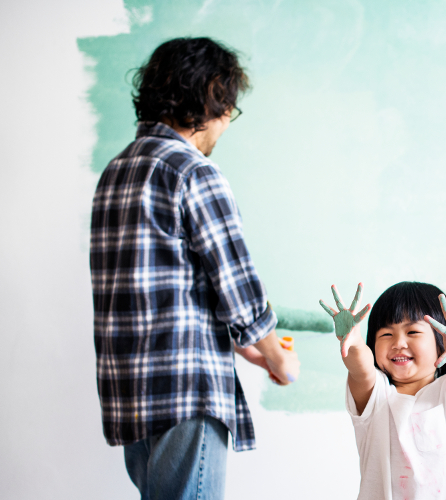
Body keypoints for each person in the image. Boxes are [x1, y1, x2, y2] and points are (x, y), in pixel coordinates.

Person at [90, 37, 300, 499]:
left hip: (130, 391)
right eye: (228, 108)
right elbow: (237, 284)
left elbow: (159, 284)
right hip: (185, 390)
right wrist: (277, 354)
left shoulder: (116, 172)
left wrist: (239, 345)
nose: (226, 123)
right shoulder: (193, 171)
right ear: (208, 99)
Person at [319, 282, 446, 500]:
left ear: (442, 343)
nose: (398, 343)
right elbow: (361, 369)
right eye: (386, 334)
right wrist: (354, 341)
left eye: (412, 331)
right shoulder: (375, 397)